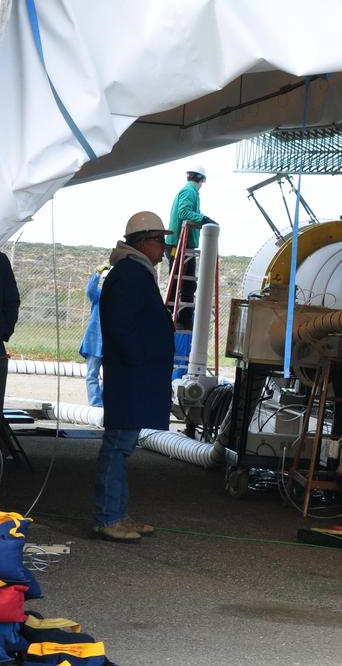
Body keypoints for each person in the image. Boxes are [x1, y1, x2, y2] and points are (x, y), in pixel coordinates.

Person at [93, 211, 175, 543]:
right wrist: (140, 359)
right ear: (142, 242)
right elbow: (120, 326)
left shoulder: (134, 272)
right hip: (130, 376)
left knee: (121, 447)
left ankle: (117, 513)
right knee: (117, 447)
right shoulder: (129, 274)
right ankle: (108, 517)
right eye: (160, 240)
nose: (164, 248)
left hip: (133, 374)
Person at [165, 164, 215, 328]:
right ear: (200, 179)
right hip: (179, 245)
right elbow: (184, 212)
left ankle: (184, 318)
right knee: (178, 284)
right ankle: (174, 318)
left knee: (187, 284)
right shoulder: (189, 191)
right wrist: (204, 219)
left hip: (184, 245)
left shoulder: (190, 191)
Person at [79, 264, 109, 408]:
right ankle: (95, 405)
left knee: (109, 376)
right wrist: (97, 273)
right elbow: (90, 290)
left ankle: (104, 403)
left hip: (109, 343)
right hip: (94, 341)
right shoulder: (98, 295)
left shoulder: (118, 299)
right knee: (92, 374)